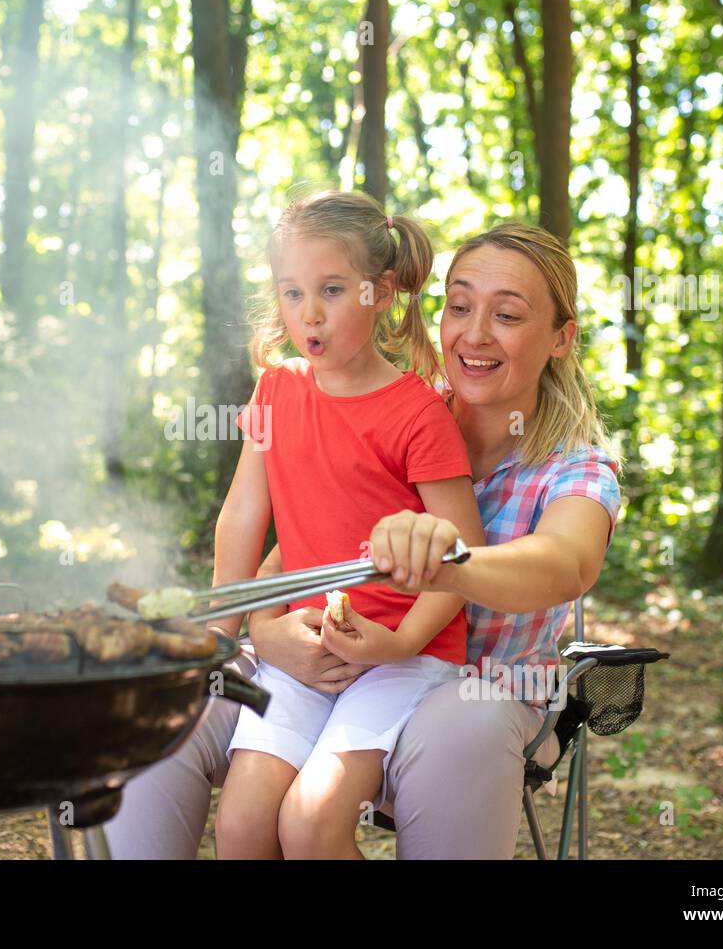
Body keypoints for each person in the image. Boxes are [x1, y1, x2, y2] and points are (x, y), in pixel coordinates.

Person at [104, 221, 621, 859]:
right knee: (155, 704)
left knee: (458, 728)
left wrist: (445, 564)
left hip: (466, 685)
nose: (476, 333)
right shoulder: (374, 399)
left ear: (561, 338)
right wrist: (264, 630)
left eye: (508, 315)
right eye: (460, 308)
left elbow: (562, 563)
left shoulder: (574, 467)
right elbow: (298, 544)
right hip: (322, 662)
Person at [210, 189, 484, 860]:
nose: (309, 313)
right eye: (292, 292)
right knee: (243, 828)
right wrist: (222, 632)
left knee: (310, 824)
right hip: (308, 650)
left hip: (405, 656)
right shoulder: (276, 390)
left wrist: (395, 644)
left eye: (331, 289)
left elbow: (465, 555)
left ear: (380, 291)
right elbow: (245, 512)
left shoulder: (417, 412)